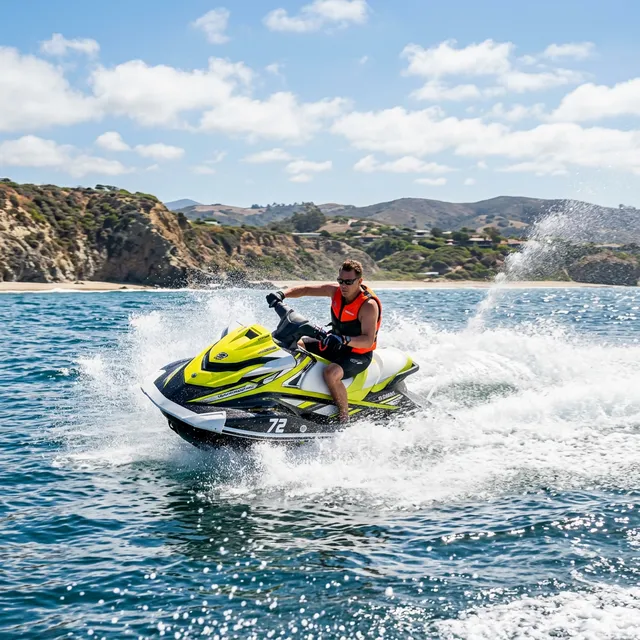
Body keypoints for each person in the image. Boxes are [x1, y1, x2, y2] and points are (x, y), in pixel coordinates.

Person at [266, 259, 381, 423]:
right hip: (335, 343)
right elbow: (305, 289)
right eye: (340, 281)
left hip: (357, 353)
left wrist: (344, 339)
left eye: (348, 282)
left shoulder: (368, 305)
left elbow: (368, 341)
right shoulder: (335, 291)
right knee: (293, 345)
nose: (344, 286)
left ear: (360, 281)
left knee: (331, 373)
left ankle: (344, 418)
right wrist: (282, 294)